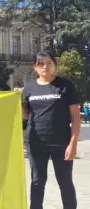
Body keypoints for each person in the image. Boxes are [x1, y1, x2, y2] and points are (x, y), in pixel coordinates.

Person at [22, 51, 81, 209]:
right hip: (35, 142)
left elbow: (75, 116)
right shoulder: (29, 88)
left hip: (61, 142)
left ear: (54, 65)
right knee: (37, 182)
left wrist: (73, 143)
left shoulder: (65, 85)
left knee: (65, 181)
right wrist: (15, 100)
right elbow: (25, 115)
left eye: (49, 63)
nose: (45, 66)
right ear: (34, 67)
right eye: (41, 63)